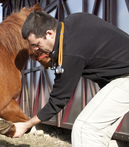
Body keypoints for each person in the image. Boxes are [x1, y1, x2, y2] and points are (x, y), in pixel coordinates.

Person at [12, 10, 129, 147]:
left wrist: (27, 125)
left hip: (125, 78)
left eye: (37, 44)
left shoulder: (71, 52)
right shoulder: (74, 20)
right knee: (98, 135)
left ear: (49, 34)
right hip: (120, 77)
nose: (37, 50)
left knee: (84, 129)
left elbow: (58, 100)